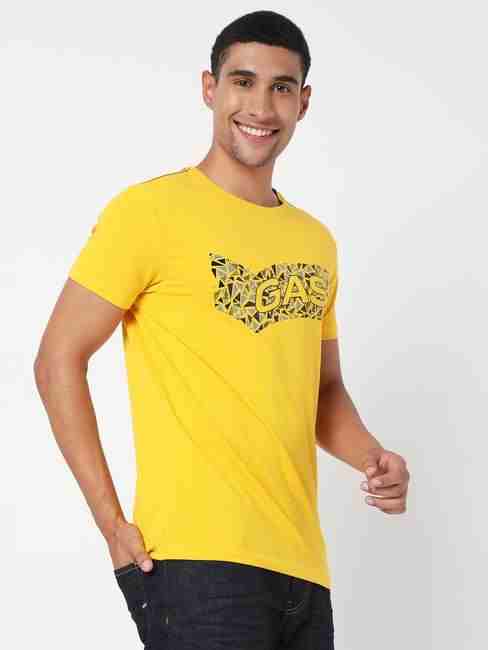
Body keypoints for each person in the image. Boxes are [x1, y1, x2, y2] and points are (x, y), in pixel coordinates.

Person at [33, 9, 410, 650]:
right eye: (242, 81)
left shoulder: (315, 242)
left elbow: (322, 391)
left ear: (303, 102)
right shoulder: (149, 214)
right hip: (195, 565)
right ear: (210, 89)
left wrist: (373, 458)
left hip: (302, 572)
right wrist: (111, 523)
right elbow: (57, 359)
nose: (260, 106)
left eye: (281, 87)